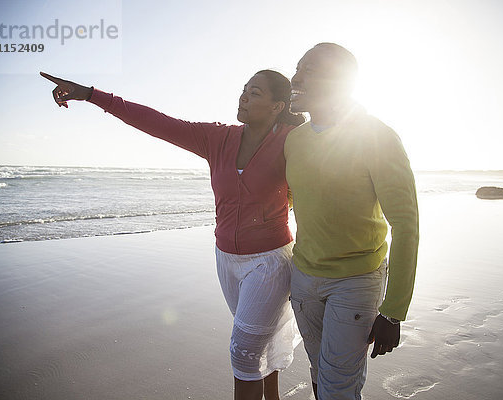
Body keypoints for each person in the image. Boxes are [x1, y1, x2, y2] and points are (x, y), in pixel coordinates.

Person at [41, 69, 305, 400]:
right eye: (244, 90)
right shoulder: (217, 138)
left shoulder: (293, 139)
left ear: (278, 106)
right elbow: (156, 122)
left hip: (269, 261)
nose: (243, 97)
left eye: (255, 93)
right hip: (227, 260)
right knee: (256, 343)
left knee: (243, 349)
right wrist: (91, 94)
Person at [284, 43, 419, 400]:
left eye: (307, 70)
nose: (295, 77)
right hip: (304, 277)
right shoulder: (293, 141)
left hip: (357, 279)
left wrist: (393, 311)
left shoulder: (377, 136)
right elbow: (294, 200)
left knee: (338, 385)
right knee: (319, 371)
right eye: (296, 68)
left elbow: (405, 223)